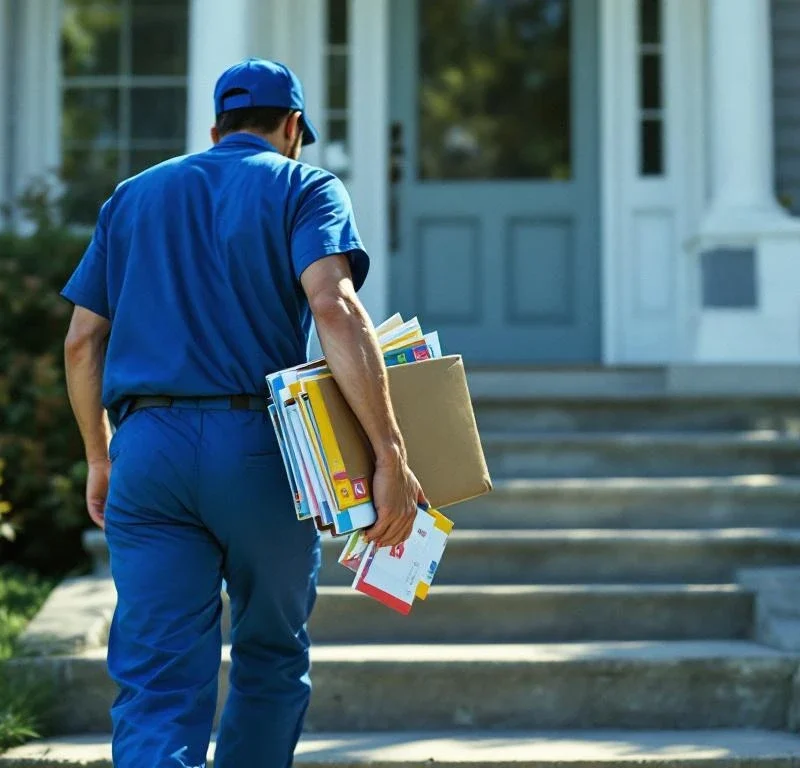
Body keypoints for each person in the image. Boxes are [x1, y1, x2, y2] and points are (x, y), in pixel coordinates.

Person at [62, 58, 426, 768]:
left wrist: (101, 456)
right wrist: (389, 453)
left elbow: (81, 341)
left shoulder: (133, 197)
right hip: (262, 451)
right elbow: (334, 305)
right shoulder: (306, 185)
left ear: (215, 128)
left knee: (157, 677)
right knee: (268, 651)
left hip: (147, 451)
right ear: (292, 127)